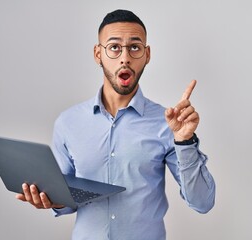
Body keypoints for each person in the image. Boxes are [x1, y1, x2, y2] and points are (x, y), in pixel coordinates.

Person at [16, 9, 215, 240]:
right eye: (114, 47)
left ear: (147, 55)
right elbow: (66, 201)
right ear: (97, 54)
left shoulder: (168, 123)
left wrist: (185, 141)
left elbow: (203, 202)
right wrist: (49, 200)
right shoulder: (68, 122)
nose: (125, 58)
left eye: (134, 47)